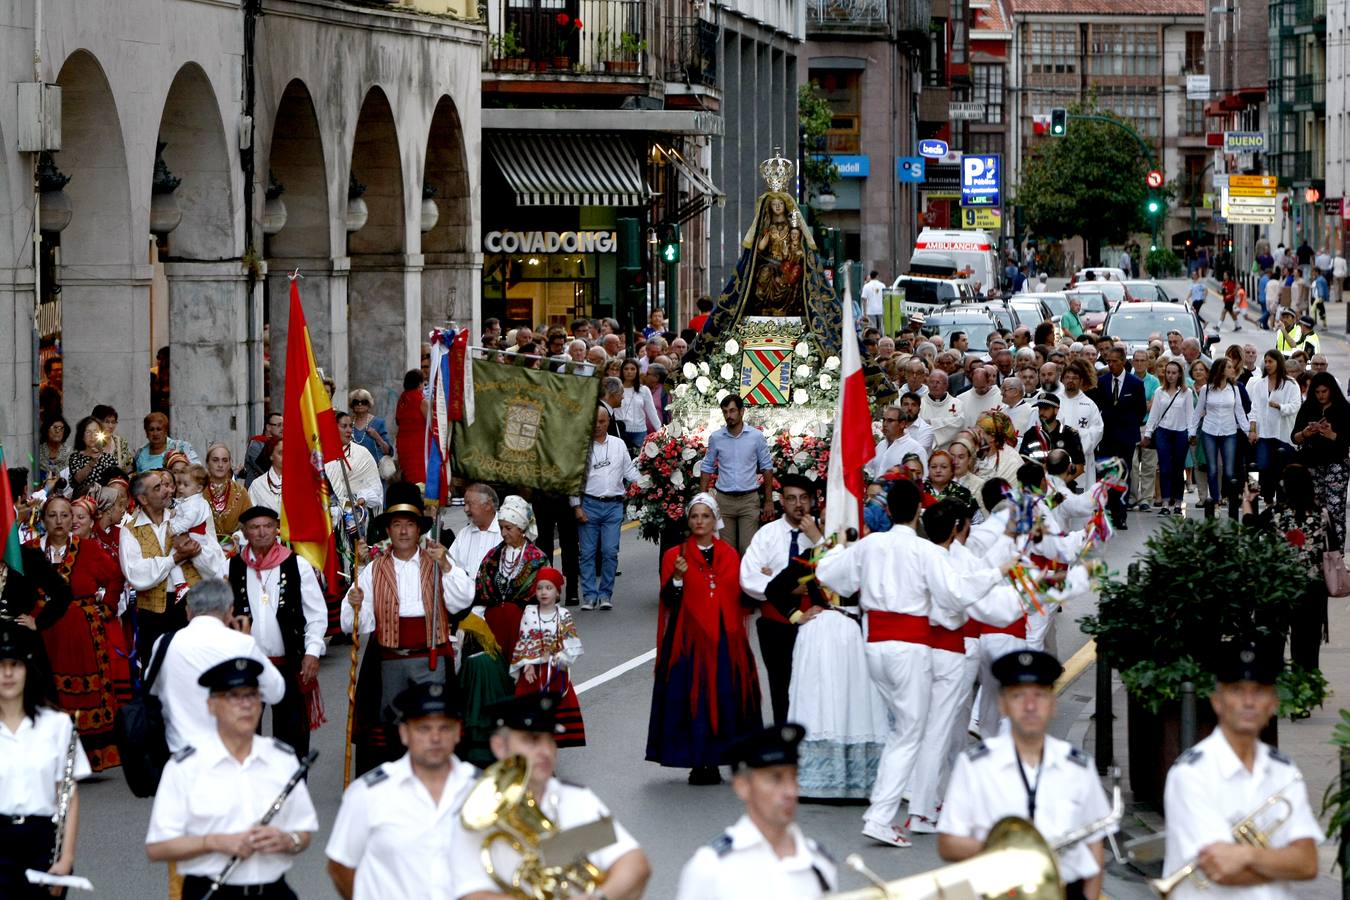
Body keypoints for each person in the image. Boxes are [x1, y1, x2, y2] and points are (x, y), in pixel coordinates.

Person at [815, 481, 1003, 848]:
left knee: (903, 727)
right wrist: (996, 573)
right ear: (918, 510)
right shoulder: (924, 551)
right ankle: (882, 816)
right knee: (909, 732)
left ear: (887, 511)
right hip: (909, 647)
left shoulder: (870, 544)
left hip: (874, 645)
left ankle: (895, 811)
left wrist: (845, 550)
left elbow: (827, 574)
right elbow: (956, 595)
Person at [939, 650, 1115, 900]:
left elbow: (1095, 846)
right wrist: (1009, 853)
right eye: (1018, 696)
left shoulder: (1078, 766)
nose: (1030, 706)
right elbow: (948, 843)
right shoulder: (975, 765)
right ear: (1002, 704)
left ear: (1053, 704)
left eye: (1040, 696)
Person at [145, 657, 319, 900]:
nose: (246, 705)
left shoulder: (282, 759)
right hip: (211, 890)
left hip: (273, 892)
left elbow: (304, 832)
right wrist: (214, 842)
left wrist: (288, 840)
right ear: (211, 705)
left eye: (252, 696)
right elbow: (157, 847)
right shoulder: (185, 767)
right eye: (234, 697)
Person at [1160, 642, 1323, 900]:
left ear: (1272, 703)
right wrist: (1283, 863)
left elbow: (1308, 864)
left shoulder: (1284, 770)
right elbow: (1221, 869)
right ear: (1217, 702)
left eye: (1259, 691)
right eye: (1236, 690)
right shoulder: (1191, 774)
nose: (1248, 702)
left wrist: (1248, 854)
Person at [451, 694, 652, 899]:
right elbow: (473, 894)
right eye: (532, 740)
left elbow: (634, 863)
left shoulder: (577, 799)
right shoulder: (480, 812)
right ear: (499, 747)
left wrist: (599, 897)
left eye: (550, 740)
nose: (545, 751)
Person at [343, 482, 470, 775]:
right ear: (388, 530)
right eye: (397, 525)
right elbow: (355, 624)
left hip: (431, 657)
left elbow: (462, 599)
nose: (403, 531)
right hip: (391, 661)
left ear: (418, 529)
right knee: (394, 728)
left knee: (432, 725)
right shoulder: (374, 568)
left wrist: (448, 569)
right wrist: (356, 603)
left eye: (409, 525)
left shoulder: (438, 559)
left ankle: (435, 782)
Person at [648, 493, 763, 786]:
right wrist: (676, 578)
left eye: (705, 516)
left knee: (726, 696)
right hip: (688, 639)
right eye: (695, 516)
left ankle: (728, 755)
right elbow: (669, 603)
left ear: (715, 521)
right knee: (692, 699)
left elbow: (740, 598)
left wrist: (760, 580)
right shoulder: (675, 556)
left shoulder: (730, 556)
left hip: (725, 638)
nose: (700, 521)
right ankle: (700, 762)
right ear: (689, 521)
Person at [326, 681, 478, 900]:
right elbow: (340, 866)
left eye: (444, 728)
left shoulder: (483, 788)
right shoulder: (368, 793)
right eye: (423, 728)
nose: (435, 738)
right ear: (404, 733)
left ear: (458, 732)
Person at [675, 723, 838, 899]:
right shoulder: (711, 868)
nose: (791, 791)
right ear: (742, 786)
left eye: (794, 777)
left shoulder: (819, 864)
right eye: (776, 778)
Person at [26, 495, 128, 771]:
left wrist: (107, 608)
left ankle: (88, 757)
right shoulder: (30, 551)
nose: (59, 521)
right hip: (42, 632)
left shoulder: (89, 549)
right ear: (43, 520)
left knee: (84, 692)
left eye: (65, 515)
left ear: (73, 520)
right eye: (52, 516)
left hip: (82, 633)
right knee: (45, 690)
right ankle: (45, 758)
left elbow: (116, 576)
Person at [226, 506, 327, 758]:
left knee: (292, 736)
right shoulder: (232, 567)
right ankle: (254, 795)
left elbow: (316, 614)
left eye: (267, 526)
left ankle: (292, 792)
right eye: (254, 527)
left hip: (289, 663)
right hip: (247, 667)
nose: (261, 532)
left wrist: (312, 652)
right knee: (246, 737)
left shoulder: (297, 564)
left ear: (276, 529)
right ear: (245, 532)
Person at [0, 627, 89, 898]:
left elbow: (69, 796)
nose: (7, 674)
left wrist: (66, 859)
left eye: (15, 665)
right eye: (0, 666)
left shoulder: (58, 725)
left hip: (42, 841)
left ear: (28, 669)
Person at [738, 474, 824, 725]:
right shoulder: (768, 534)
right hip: (776, 626)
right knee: (781, 687)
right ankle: (786, 749)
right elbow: (748, 576)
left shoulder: (822, 531)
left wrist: (818, 536)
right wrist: (784, 587)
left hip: (816, 624)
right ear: (781, 502)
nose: (798, 505)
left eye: (804, 499)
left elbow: (839, 569)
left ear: (812, 501)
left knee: (815, 688)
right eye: (791, 499)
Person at [121, 469, 227, 662]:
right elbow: (137, 575)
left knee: (195, 668)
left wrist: (197, 552)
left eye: (166, 485)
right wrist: (174, 559)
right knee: (155, 672)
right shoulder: (129, 531)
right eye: (158, 487)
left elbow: (216, 565)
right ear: (143, 499)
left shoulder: (189, 516)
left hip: (192, 608)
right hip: (153, 616)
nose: (168, 490)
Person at [1240, 469, 1330, 675]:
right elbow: (1332, 547)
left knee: (1271, 644)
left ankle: (1274, 687)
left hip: (1278, 586)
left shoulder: (1276, 513)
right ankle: (1305, 692)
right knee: (1307, 647)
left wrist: (1248, 500)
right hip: (1311, 589)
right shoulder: (1322, 514)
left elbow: (1250, 526)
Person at [574, 406, 641, 610]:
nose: (597, 426)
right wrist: (576, 506)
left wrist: (648, 483)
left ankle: (605, 594)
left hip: (613, 505)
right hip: (589, 504)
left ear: (608, 422)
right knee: (587, 553)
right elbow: (573, 480)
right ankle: (589, 595)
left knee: (610, 552)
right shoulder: (582, 447)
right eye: (594, 422)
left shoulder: (619, 444)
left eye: (602, 422)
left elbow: (629, 471)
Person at [508, 566, 584, 746]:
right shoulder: (529, 612)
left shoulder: (563, 615)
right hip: (532, 674)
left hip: (554, 672)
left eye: (549, 588)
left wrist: (558, 658)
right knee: (531, 715)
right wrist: (526, 664)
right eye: (540, 588)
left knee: (552, 715)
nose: (543, 592)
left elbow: (571, 644)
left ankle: (547, 752)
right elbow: (524, 639)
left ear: (558, 592)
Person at [473, 495, 546, 660]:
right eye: (501, 527)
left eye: (508, 528)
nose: (503, 533)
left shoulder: (537, 559)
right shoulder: (492, 557)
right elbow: (481, 591)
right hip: (494, 627)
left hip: (524, 628)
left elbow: (547, 598)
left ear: (521, 529)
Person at [701, 395, 775, 556]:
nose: (729, 415)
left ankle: (747, 581)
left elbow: (767, 468)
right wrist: (703, 499)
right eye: (725, 412)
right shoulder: (716, 438)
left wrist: (769, 501)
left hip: (749, 501)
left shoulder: (756, 437)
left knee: (748, 550)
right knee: (727, 553)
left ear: (742, 411)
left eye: (733, 411)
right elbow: (706, 467)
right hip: (724, 501)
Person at [1291, 372, 1350, 545]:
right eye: (1317, 392)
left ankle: (1336, 555)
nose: (1321, 395)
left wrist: (1332, 435)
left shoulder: (1344, 410)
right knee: (1314, 510)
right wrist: (1305, 433)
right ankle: (1316, 551)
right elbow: (1294, 437)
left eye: (1324, 391)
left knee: (1335, 511)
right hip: (1312, 464)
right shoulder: (1308, 408)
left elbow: (1347, 440)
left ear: (1331, 390)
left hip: (1336, 464)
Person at [1190, 359, 1252, 520]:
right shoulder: (1207, 389)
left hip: (1229, 431)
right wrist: (1191, 432)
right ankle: (1215, 502)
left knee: (1229, 470)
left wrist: (1248, 431)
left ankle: (1230, 501)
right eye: (1229, 367)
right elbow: (1198, 412)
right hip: (1209, 431)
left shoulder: (1234, 389)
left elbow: (1239, 413)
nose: (1233, 370)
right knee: (1212, 468)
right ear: (1221, 370)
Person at [1091, 349, 1146, 529]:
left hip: (1126, 438)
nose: (1111, 365)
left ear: (1123, 361)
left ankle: (1120, 515)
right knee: (1106, 475)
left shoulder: (1135, 384)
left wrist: (1128, 426)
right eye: (1109, 362)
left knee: (1123, 475)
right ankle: (1106, 515)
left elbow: (1140, 411)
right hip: (1106, 438)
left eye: (1115, 361)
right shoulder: (1102, 382)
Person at [1248, 351, 1301, 502]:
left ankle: (1282, 502)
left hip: (1282, 433)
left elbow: (1295, 405)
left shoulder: (1290, 384)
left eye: (1271, 361)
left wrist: (1280, 407)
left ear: (1279, 362)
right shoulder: (1259, 383)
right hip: (1264, 433)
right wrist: (1252, 430)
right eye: (1266, 361)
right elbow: (1255, 408)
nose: (1268, 364)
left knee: (1281, 470)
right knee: (1262, 466)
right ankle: (1265, 498)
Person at [1143, 360, 1191, 516]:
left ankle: (1177, 502)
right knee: (1164, 468)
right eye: (1168, 372)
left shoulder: (1186, 392)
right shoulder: (1159, 392)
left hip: (1180, 432)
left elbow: (1190, 415)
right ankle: (1165, 502)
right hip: (1163, 432)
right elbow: (1154, 414)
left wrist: (1191, 434)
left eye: (1174, 373)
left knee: (1178, 468)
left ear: (1179, 375)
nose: (1170, 376)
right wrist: (1148, 433)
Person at [326, 411, 384, 515]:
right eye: (344, 426)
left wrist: (363, 497)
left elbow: (376, 489)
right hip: (327, 511)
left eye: (350, 426)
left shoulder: (362, 454)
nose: (349, 430)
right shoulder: (322, 453)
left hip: (357, 514)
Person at [865, 404, 928, 480]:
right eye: (884, 420)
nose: (884, 424)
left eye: (890, 421)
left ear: (902, 424)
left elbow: (923, 479)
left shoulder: (916, 449)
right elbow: (868, 470)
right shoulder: (881, 445)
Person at [203, 443, 250, 537]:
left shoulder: (240, 492)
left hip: (234, 547)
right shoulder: (198, 490)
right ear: (207, 463)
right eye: (215, 460)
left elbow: (250, 522)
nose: (220, 465)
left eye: (225, 461)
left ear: (230, 464)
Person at [67, 415, 119, 498]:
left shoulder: (109, 458)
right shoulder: (75, 457)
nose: (92, 436)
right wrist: (91, 463)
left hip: (106, 501)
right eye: (88, 432)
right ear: (82, 436)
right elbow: (77, 480)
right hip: (83, 500)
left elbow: (116, 482)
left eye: (96, 432)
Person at [616, 358, 661, 453]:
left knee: (638, 461)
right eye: (626, 369)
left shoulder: (644, 390)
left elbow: (652, 413)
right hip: (620, 431)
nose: (629, 372)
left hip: (639, 432)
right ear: (622, 371)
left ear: (637, 372)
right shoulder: (616, 389)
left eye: (632, 369)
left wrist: (660, 432)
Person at [133, 412, 199, 473]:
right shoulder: (140, 453)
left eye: (159, 429)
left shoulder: (181, 447)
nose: (155, 433)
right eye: (151, 430)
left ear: (165, 431)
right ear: (146, 432)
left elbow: (197, 471)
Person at [394, 369, 429, 485]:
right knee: (420, 476)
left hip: (403, 443)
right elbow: (432, 424)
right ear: (420, 383)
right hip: (419, 444)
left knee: (408, 475)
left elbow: (397, 421)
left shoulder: (402, 399)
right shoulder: (422, 401)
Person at [347, 388, 392, 469]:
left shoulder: (378, 423)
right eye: (356, 402)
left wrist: (377, 437)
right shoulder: (347, 423)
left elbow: (388, 451)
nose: (360, 404)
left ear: (369, 404)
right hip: (353, 470)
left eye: (364, 402)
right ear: (352, 405)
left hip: (374, 470)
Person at [920, 370, 966, 448]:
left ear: (946, 385)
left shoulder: (956, 403)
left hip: (948, 449)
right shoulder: (920, 403)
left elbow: (959, 423)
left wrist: (931, 422)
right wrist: (945, 422)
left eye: (938, 382)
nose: (934, 385)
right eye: (931, 382)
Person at [169, 463, 214, 541]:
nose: (180, 487)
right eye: (180, 483)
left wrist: (172, 530)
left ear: (199, 488)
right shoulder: (189, 500)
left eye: (186, 485)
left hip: (193, 540)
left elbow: (187, 522)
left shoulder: (194, 504)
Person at [240, 413, 283, 486]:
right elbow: (264, 468)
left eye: (284, 425)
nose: (282, 428)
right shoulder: (256, 444)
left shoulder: (280, 443)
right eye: (279, 425)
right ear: (268, 427)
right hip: (256, 490)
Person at [248, 438, 285, 513]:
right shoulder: (257, 485)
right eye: (281, 453)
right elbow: (250, 517)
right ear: (271, 455)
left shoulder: (299, 484)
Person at [37, 416, 70, 484]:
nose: (57, 431)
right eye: (54, 427)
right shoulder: (38, 452)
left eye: (61, 428)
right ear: (47, 430)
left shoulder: (69, 454)